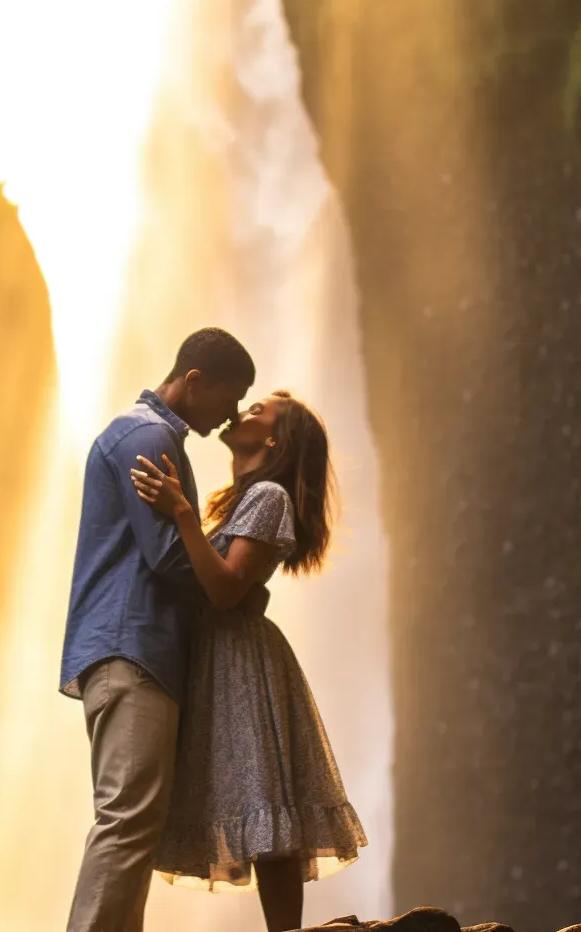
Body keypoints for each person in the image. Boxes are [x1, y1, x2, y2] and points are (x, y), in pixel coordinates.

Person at [129, 389, 367, 932]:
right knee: (255, 794)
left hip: (238, 660)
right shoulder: (243, 499)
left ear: (274, 440)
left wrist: (181, 513)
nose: (244, 411)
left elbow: (226, 589)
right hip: (218, 656)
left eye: (260, 410)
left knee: (264, 798)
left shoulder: (268, 496)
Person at [60, 327, 256, 932]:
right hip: (134, 647)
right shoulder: (149, 438)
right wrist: (239, 569)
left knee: (136, 825)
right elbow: (169, 557)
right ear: (194, 381)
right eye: (230, 397)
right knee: (127, 820)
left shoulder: (143, 434)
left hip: (129, 650)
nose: (234, 415)